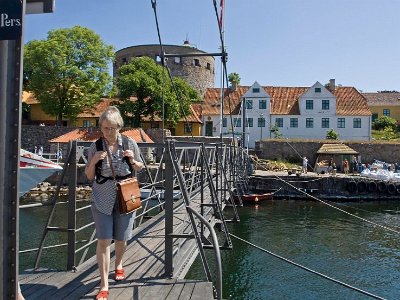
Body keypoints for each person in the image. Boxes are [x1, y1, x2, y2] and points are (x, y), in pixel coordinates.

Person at [85, 106, 144, 300]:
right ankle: (104, 284)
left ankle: (118, 264)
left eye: (111, 128)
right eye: (104, 128)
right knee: (103, 240)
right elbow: (89, 176)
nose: (108, 132)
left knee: (121, 239)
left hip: (125, 196)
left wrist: (132, 160)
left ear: (119, 127)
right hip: (102, 196)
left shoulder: (129, 143)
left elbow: (140, 166)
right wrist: (93, 162)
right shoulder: (96, 146)